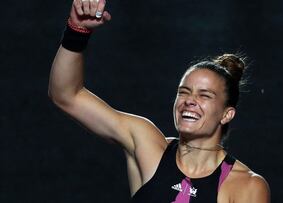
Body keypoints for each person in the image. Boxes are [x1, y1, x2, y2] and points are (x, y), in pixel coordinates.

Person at [48, 0, 270, 202]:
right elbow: (66, 95)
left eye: (204, 95)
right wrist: (77, 31)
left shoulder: (246, 186)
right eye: (184, 92)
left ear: (226, 114)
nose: (189, 101)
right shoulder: (148, 146)